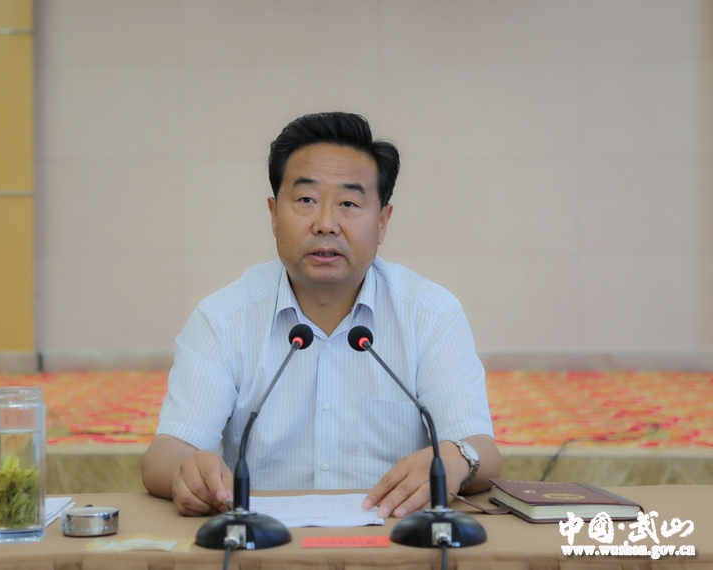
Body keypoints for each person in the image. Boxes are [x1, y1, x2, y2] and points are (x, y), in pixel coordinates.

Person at [142, 112, 502, 519]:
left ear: (382, 222)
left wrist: (457, 459)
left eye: (348, 204)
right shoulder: (223, 318)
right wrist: (187, 472)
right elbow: (166, 452)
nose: (326, 224)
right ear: (274, 214)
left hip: (397, 538)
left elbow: (482, 451)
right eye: (306, 201)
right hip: (263, 541)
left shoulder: (430, 314)